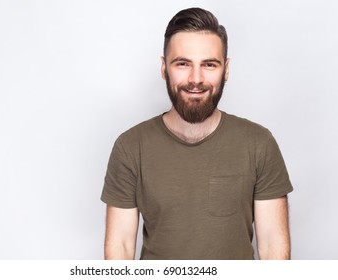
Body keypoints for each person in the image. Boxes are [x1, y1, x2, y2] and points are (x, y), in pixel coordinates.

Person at [101, 7, 293, 260]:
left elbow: (273, 249)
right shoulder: (130, 146)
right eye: (182, 63)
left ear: (226, 69)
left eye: (209, 64)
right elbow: (121, 248)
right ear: (163, 68)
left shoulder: (259, 143)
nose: (195, 79)